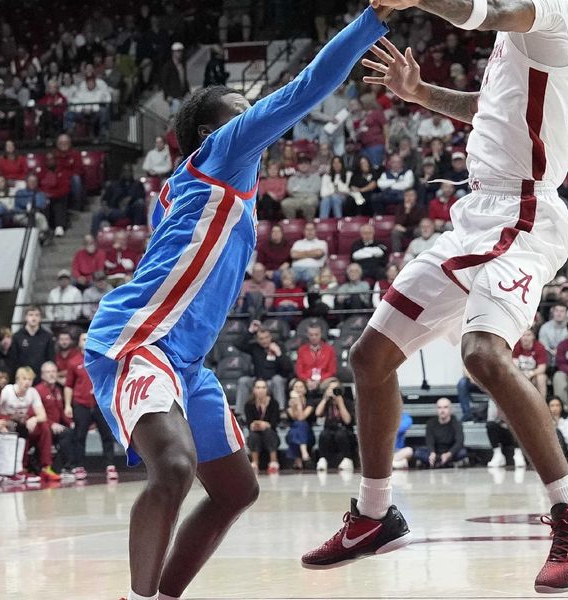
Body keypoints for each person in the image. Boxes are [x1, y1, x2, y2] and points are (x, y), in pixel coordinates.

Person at [84, 7, 393, 600]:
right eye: (238, 109)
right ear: (213, 130)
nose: (252, 116)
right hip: (140, 339)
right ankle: (137, 599)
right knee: (173, 468)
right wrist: (372, 18)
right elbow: (304, 89)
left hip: (186, 360)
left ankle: (164, 596)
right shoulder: (222, 152)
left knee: (236, 491)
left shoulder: (200, 184)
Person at [304, 3, 568, 592]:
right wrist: (421, 94)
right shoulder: (517, 50)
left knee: (483, 355)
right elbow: (488, 110)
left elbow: (479, 13)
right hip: (475, 215)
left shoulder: (550, 14)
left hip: (523, 216)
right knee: (370, 358)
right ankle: (375, 515)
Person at [65, 332, 117, 481]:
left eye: (88, 338)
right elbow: (68, 385)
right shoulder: (73, 362)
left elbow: (109, 378)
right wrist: (68, 405)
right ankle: (79, 466)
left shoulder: (100, 358)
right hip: (81, 403)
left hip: (100, 403)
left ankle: (110, 465)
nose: (86, 341)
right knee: (79, 436)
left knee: (106, 435)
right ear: (79, 343)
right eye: (83, 339)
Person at [0, 367, 61, 482]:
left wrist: (34, 419)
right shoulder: (8, 391)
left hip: (22, 424)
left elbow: (42, 416)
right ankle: (21, 467)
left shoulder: (32, 392)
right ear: (17, 379)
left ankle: (46, 467)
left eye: (30, 379)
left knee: (43, 427)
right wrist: (7, 420)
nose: (27, 382)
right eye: (24, 379)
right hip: (4, 422)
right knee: (21, 428)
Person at [235, 322, 293, 413]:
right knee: (243, 381)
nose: (265, 341)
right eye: (261, 339)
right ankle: (240, 414)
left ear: (270, 337)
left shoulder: (280, 346)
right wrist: (250, 331)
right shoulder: (255, 348)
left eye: (267, 337)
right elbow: (238, 344)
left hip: (273, 382)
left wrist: (279, 354)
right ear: (257, 340)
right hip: (257, 381)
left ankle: (281, 412)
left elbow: (289, 368)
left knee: (277, 379)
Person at [35, 361, 75, 474]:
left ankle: (70, 466)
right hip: (44, 427)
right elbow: (35, 413)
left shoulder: (57, 390)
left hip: (57, 426)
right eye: (48, 372)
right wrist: (51, 424)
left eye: (53, 371)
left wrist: (70, 422)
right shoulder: (38, 391)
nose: (51, 374)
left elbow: (60, 411)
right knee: (66, 434)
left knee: (74, 431)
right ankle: (67, 467)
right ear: (42, 375)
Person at [413, 397, 467, 468]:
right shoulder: (430, 423)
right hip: (436, 452)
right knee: (418, 453)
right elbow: (429, 441)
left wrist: (449, 454)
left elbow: (459, 442)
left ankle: (437, 463)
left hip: (451, 452)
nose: (442, 410)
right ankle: (446, 463)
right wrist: (432, 453)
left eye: (445, 407)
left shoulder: (457, 423)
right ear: (437, 410)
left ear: (450, 409)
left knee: (462, 452)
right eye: (439, 407)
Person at [315, 379, 356, 472]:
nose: (333, 391)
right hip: (329, 429)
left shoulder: (347, 402)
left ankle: (347, 458)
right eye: (330, 389)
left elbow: (347, 420)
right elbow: (317, 413)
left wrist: (340, 402)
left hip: (344, 429)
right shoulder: (326, 402)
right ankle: (323, 459)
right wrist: (325, 399)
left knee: (340, 434)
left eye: (335, 389)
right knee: (324, 435)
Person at [244, 379, 281, 474]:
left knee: (268, 432)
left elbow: (274, 423)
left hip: (270, 433)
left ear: (267, 390)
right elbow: (249, 423)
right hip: (255, 433)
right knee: (253, 435)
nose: (261, 390)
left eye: (263, 387)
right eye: (258, 387)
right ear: (254, 390)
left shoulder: (274, 403)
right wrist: (255, 425)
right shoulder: (248, 405)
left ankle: (273, 462)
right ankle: (255, 462)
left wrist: (265, 424)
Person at [9, 306, 54, 378]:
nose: (34, 318)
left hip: (41, 378)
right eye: (31, 315)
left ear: (40, 318)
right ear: (25, 317)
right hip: (23, 377)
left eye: (37, 315)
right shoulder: (17, 337)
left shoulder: (47, 337)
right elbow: (13, 360)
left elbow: (50, 359)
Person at [486, 399, 526, 469]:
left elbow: (521, 416)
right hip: (502, 427)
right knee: (490, 425)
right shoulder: (493, 399)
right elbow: (491, 418)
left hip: (515, 431)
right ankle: (497, 454)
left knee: (519, 425)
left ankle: (518, 454)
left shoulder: (516, 397)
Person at [286, 382, 315, 469]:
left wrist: (298, 402)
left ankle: (298, 460)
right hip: (292, 435)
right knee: (296, 428)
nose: (298, 389)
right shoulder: (289, 403)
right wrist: (295, 404)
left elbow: (302, 417)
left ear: (305, 390)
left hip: (308, 436)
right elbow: (296, 417)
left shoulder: (310, 402)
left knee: (301, 424)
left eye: (301, 387)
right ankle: (305, 454)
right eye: (296, 387)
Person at [512, 329, 548, 398]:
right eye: (523, 335)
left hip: (533, 374)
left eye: (528, 335)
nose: (525, 338)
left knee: (541, 377)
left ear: (533, 336)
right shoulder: (516, 346)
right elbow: (514, 366)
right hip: (519, 373)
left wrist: (530, 374)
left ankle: (543, 403)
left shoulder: (539, 347)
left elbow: (542, 368)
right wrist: (522, 375)